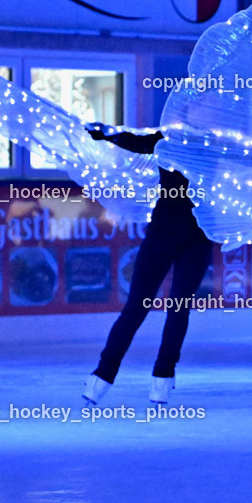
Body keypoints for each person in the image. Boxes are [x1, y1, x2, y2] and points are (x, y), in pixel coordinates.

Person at [80, 125, 214, 406]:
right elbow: (135, 141)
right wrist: (104, 134)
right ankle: (105, 376)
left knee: (174, 308)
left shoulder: (207, 143)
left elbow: (135, 141)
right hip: (172, 234)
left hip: (193, 235)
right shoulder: (175, 139)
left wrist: (106, 134)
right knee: (143, 307)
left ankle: (159, 378)